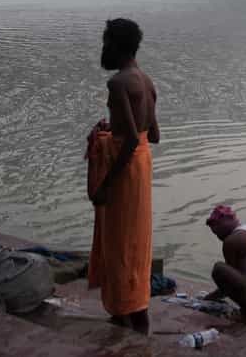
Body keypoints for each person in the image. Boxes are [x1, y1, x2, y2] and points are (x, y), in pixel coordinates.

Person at [86, 18, 159, 335]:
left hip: (125, 172)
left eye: (105, 44)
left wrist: (105, 184)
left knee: (119, 243)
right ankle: (134, 310)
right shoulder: (145, 80)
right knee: (135, 241)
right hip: (142, 168)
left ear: (116, 46)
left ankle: (129, 314)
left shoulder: (117, 83)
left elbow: (129, 139)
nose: (103, 50)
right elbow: (151, 135)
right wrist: (110, 130)